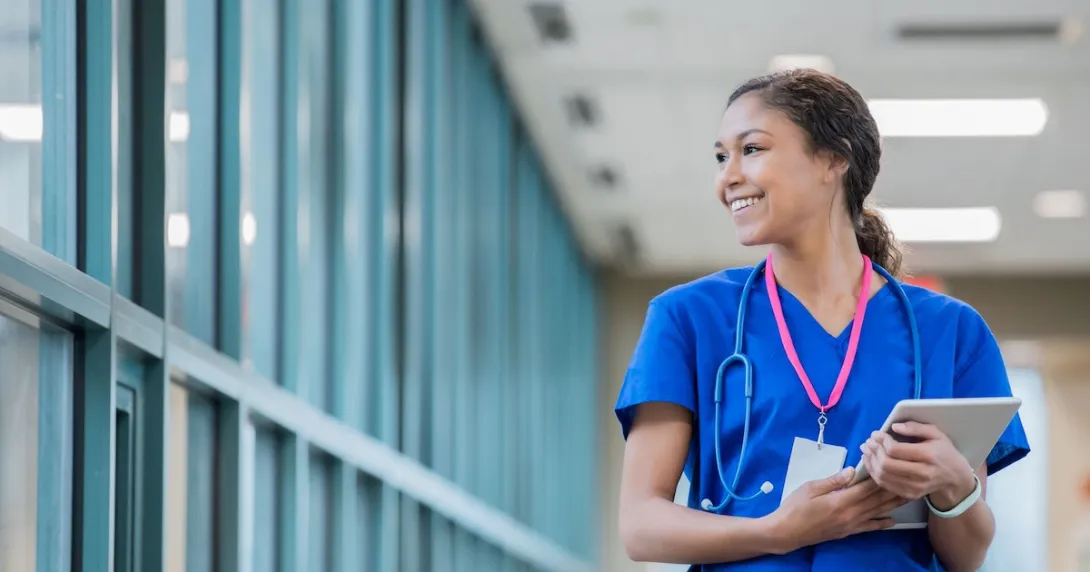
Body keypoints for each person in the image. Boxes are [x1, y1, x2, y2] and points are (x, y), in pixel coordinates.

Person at [614, 69, 1030, 571]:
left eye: (752, 150)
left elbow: (967, 556)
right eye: (721, 157)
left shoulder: (951, 333)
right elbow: (640, 527)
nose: (727, 178)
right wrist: (778, 532)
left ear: (833, 159)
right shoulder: (688, 319)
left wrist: (952, 484)